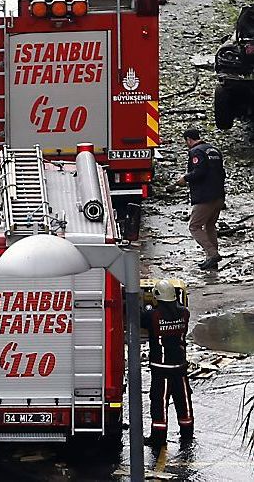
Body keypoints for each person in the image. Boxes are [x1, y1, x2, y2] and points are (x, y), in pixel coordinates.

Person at [141, 279, 193, 446]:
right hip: (179, 366)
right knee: (183, 400)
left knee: (159, 402)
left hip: (161, 368)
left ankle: (158, 437)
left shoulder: (152, 316)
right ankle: (187, 432)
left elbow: (138, 316)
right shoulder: (185, 313)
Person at [174, 128, 226, 270]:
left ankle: (213, 254)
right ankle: (211, 260)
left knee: (194, 226)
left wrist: (185, 178)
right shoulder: (214, 150)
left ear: (188, 140)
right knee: (209, 226)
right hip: (218, 196)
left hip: (205, 198)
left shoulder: (196, 152)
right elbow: (222, 173)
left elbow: (199, 172)